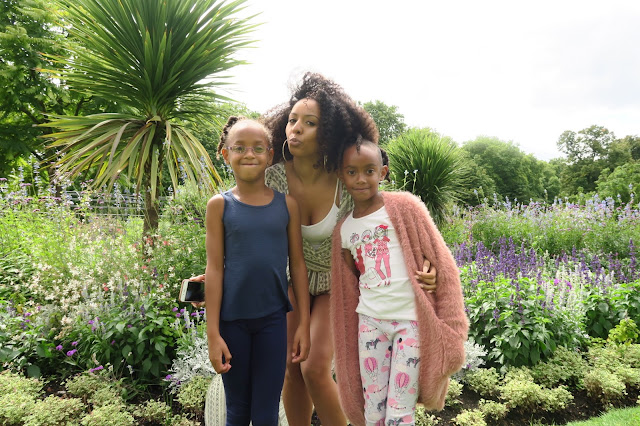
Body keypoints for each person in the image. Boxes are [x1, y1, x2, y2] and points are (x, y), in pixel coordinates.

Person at [262, 72, 438, 426]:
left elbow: (387, 222)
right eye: (293, 120)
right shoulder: (273, 177)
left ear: (328, 133)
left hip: (336, 282)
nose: (296, 129)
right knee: (290, 367)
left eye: (309, 123)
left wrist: (427, 265)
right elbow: (249, 226)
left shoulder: (345, 179)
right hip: (291, 280)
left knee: (314, 368)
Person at [330, 139, 468, 426]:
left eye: (369, 171)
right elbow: (349, 282)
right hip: (370, 323)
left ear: (382, 172)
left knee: (399, 410)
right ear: (342, 175)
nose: (360, 179)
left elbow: (439, 257)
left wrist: (433, 274)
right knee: (373, 409)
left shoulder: (405, 207)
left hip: (410, 323)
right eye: (352, 172)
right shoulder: (344, 229)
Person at [204, 116, 311, 425]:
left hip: (273, 323)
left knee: (266, 414)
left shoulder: (287, 206)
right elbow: (215, 269)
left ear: (270, 154)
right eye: (239, 148)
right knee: (237, 412)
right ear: (225, 154)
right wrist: (213, 334)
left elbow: (298, 265)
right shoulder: (219, 206)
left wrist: (303, 324)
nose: (249, 154)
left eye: (257, 148)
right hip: (231, 324)